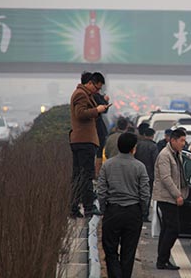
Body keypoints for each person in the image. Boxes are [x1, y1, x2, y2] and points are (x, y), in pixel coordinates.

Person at [98, 132, 150, 278]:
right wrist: (142, 210)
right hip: (133, 213)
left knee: (110, 251)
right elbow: (145, 193)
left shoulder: (107, 165)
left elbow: (101, 191)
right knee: (129, 253)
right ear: (134, 148)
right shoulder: (140, 167)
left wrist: (103, 209)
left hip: (112, 212)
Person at [69, 71, 109, 218]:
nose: (97, 91)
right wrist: (96, 110)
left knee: (79, 176)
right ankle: (88, 207)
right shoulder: (81, 94)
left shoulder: (86, 94)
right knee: (86, 175)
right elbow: (80, 113)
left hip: (81, 140)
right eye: (97, 88)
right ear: (90, 83)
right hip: (83, 140)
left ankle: (74, 207)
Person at [153, 128, 188, 270]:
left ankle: (163, 260)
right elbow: (166, 178)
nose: (184, 144)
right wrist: (177, 195)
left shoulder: (176, 154)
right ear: (173, 140)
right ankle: (162, 259)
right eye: (182, 141)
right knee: (173, 229)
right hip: (166, 197)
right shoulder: (165, 155)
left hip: (171, 197)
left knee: (167, 228)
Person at [134, 127, 159, 222]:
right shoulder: (153, 146)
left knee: (137, 193)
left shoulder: (138, 145)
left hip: (137, 173)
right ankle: (145, 214)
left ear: (144, 135)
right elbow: (155, 161)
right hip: (149, 175)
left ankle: (137, 212)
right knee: (146, 194)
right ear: (152, 136)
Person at [93, 73, 110, 177]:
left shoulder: (91, 95)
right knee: (98, 152)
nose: (99, 89)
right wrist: (105, 102)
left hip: (96, 130)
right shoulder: (93, 96)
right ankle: (97, 173)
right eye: (98, 87)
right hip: (96, 131)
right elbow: (104, 109)